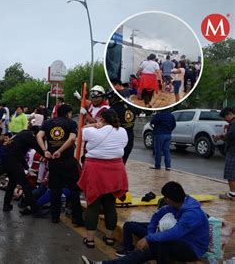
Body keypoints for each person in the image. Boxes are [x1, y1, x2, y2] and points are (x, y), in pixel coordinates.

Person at [81, 181, 210, 264]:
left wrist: (149, 239)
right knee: (140, 254)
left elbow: (175, 233)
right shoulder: (175, 204)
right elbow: (155, 218)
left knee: (160, 244)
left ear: (169, 199)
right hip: (174, 241)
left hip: (192, 248)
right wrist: (150, 235)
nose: (164, 200)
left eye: (165, 198)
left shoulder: (192, 214)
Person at [77, 109, 129, 249]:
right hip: (116, 169)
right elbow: (123, 145)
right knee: (110, 204)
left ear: (102, 120)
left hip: (96, 169)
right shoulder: (123, 132)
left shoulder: (94, 131)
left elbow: (82, 129)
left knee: (93, 204)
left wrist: (95, 125)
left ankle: (90, 239)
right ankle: (110, 237)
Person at [37, 104, 84, 225]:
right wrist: (61, 150)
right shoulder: (71, 123)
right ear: (68, 113)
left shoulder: (48, 123)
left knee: (55, 190)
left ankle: (55, 217)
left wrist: (45, 150)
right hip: (68, 161)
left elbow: (39, 136)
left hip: (53, 162)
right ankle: (77, 218)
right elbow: (72, 139)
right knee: (74, 190)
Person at [1, 126, 47, 217]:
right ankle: (35, 210)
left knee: (12, 183)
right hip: (13, 162)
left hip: (8, 160)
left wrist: (26, 167)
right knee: (25, 185)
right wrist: (49, 155)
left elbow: (19, 152)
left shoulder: (23, 134)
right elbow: (40, 149)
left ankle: (6, 205)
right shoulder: (30, 137)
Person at [106, 89, 136, 164]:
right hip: (129, 137)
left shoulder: (113, 109)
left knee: (113, 164)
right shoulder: (131, 106)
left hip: (117, 138)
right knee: (122, 163)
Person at [214, 107, 235, 200]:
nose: (225, 120)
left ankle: (232, 194)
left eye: (224, 117)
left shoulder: (233, 123)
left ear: (229, 114)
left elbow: (231, 134)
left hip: (233, 151)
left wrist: (221, 136)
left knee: (230, 173)